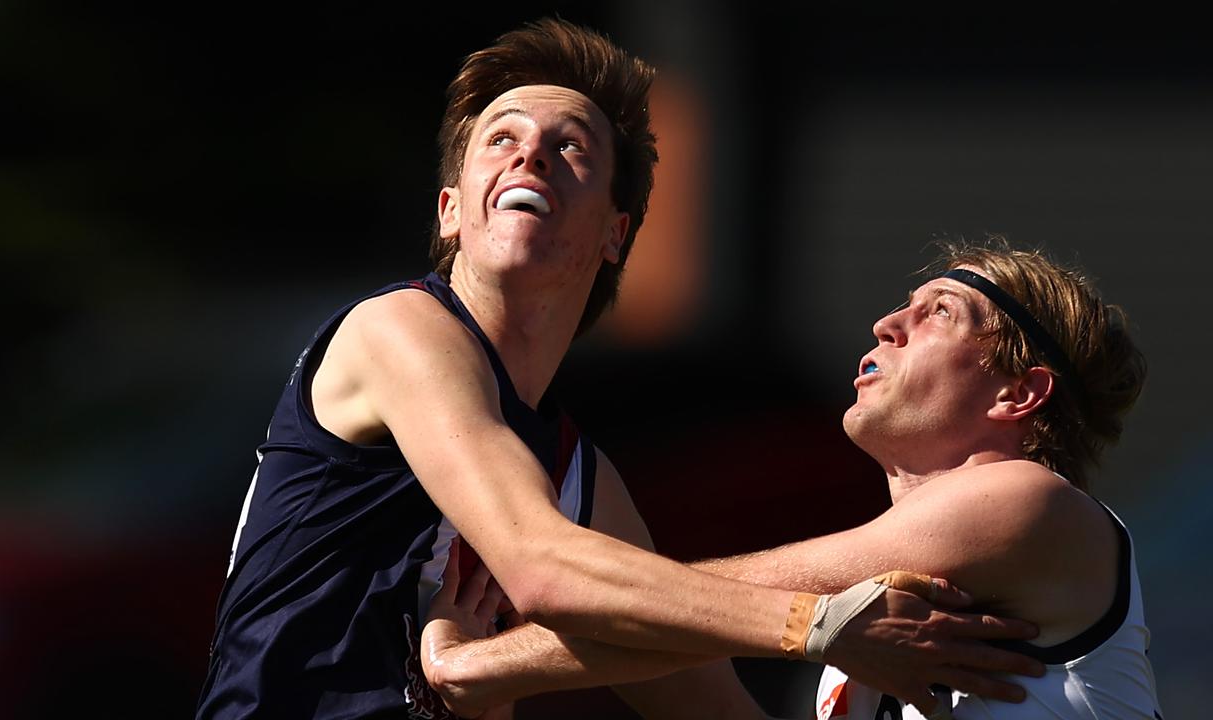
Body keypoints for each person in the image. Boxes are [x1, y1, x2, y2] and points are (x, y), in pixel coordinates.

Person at [194, 18, 1044, 720]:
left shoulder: (576, 478)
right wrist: (818, 624)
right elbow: (544, 567)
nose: (529, 157)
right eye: (501, 139)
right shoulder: (399, 329)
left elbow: (698, 696)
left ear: (614, 234)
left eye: (571, 149)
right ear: (450, 210)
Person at [420, 238, 1163, 719]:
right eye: (901, 305)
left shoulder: (1025, 497)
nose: (885, 324)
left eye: (938, 313)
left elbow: (728, 604)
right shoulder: (859, 658)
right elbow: (711, 628)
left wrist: (479, 664)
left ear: (1017, 394)